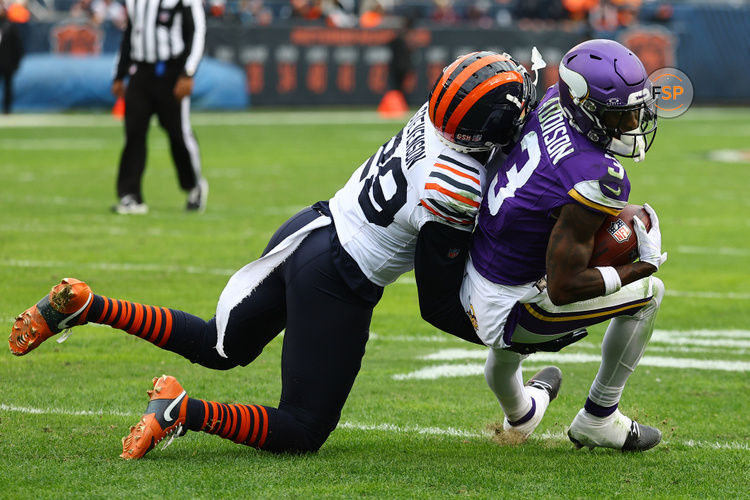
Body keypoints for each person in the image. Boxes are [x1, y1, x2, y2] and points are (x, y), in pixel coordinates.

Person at [9, 51, 539, 459]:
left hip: (309, 229)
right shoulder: (457, 184)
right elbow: (439, 305)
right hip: (339, 282)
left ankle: (86, 305)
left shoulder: (434, 115)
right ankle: (181, 412)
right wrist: (526, 330)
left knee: (218, 345)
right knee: (303, 429)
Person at [458, 39, 666, 451]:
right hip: (510, 309)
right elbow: (563, 287)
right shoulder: (597, 175)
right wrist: (636, 269)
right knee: (650, 296)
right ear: (587, 108)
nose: (631, 123)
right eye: (619, 114)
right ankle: (599, 417)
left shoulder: (554, 101)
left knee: (522, 292)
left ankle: (521, 412)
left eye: (634, 111)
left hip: (474, 274)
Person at [110, 0, 208, 214]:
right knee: (133, 132)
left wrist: (188, 72)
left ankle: (194, 186)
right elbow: (130, 33)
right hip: (141, 71)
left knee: (178, 132)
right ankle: (130, 195)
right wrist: (119, 74)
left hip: (172, 72)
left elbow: (197, 31)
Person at [0, 2, 23, 114]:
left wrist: (15, 63)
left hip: (6, 64)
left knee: (8, 87)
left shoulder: (9, 26)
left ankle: (7, 110)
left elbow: (18, 46)